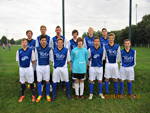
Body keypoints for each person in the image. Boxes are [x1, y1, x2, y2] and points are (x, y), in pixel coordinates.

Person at [35, 35, 51, 102]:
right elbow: (35, 58)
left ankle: (47, 94)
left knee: (47, 81)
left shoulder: (49, 49)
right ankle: (40, 95)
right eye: (42, 40)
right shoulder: (37, 48)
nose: (43, 41)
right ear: (40, 41)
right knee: (39, 81)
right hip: (39, 66)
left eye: (45, 40)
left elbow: (51, 58)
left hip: (46, 66)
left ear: (46, 41)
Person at [104, 33, 120, 97]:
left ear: (114, 38)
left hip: (115, 64)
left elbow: (119, 55)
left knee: (115, 78)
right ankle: (107, 92)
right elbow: (104, 55)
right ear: (108, 39)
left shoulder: (117, 46)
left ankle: (116, 93)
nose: (111, 39)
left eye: (112, 38)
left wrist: (116, 62)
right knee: (107, 78)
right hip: (108, 64)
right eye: (109, 38)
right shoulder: (105, 46)